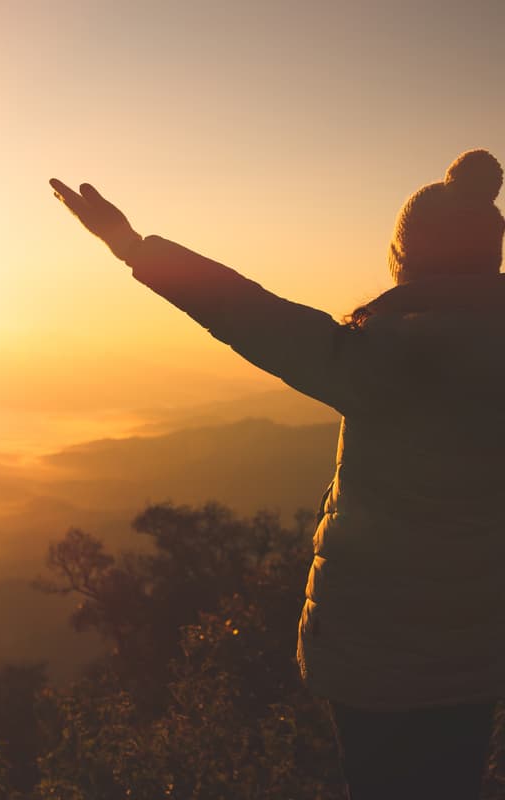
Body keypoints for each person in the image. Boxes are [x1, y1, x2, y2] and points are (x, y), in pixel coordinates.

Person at [50, 149, 505, 800]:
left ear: (407, 262)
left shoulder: (374, 360)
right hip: (480, 654)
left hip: (372, 660)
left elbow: (249, 314)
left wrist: (132, 247)